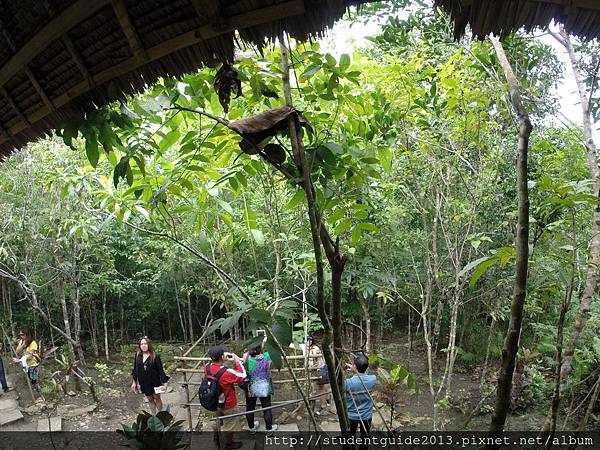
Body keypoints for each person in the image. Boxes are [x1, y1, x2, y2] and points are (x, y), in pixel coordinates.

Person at [205, 346, 247, 450]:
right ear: (222, 356)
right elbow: (243, 375)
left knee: (218, 419)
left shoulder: (207, 367)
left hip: (214, 401)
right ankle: (229, 443)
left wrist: (223, 358)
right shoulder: (226, 372)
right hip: (228, 403)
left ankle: (217, 435)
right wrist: (237, 361)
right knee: (230, 423)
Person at [243, 344, 278, 434]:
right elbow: (274, 348)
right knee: (266, 407)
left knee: (250, 407)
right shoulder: (267, 356)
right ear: (260, 349)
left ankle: (251, 428)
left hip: (251, 386)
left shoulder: (246, 357)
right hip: (264, 387)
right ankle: (269, 429)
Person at [131, 336, 170, 415]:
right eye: (141, 344)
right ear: (140, 346)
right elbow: (135, 369)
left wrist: (165, 382)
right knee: (150, 399)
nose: (143, 345)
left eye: (145, 343)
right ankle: (154, 417)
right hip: (144, 382)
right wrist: (134, 382)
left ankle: (161, 416)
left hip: (155, 381)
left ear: (149, 345)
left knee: (157, 398)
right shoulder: (138, 355)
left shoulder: (155, 356)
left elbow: (160, 370)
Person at [345, 354, 377, 449]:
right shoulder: (373, 379)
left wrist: (352, 371)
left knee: (350, 436)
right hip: (367, 415)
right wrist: (356, 369)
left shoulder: (348, 383)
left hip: (352, 415)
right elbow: (364, 376)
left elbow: (341, 387)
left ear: (354, 366)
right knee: (365, 438)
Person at [305, 335, 330, 415]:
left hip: (320, 369)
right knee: (316, 388)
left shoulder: (315, 349)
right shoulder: (305, 348)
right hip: (314, 371)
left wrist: (311, 367)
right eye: (307, 340)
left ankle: (323, 406)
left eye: (311, 340)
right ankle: (326, 400)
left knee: (321, 388)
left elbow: (318, 360)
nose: (309, 341)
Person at [13, 328, 40, 394]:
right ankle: (35, 391)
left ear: (27, 335)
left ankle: (39, 393)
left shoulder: (33, 343)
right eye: (20, 335)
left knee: (34, 380)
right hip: (26, 365)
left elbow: (30, 356)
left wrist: (20, 360)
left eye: (22, 335)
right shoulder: (22, 341)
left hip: (33, 364)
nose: (21, 336)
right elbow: (17, 351)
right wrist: (23, 344)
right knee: (30, 379)